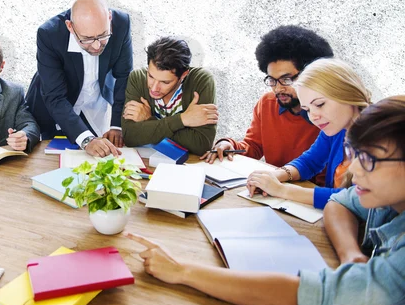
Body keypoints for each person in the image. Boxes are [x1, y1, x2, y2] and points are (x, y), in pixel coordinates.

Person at [127, 95, 405, 305]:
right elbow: (340, 202)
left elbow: (307, 296)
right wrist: (350, 256)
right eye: (353, 154)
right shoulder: (383, 194)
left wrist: (181, 270)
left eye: (369, 160)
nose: (354, 170)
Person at [246, 58, 371, 209]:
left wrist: (282, 190)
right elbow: (310, 161)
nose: (313, 117)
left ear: (347, 94)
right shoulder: (338, 127)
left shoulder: (380, 139)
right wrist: (277, 175)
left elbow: (356, 199)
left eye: (319, 104)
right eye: (307, 109)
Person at [202, 25, 333, 167]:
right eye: (272, 80)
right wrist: (229, 144)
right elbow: (254, 147)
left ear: (311, 74)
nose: (277, 88)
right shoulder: (267, 103)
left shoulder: (328, 112)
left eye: (286, 79)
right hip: (275, 184)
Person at [25, 0, 133, 158]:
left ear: (109, 18)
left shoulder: (122, 23)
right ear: (70, 26)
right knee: (53, 165)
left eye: (103, 35)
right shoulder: (49, 34)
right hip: (55, 108)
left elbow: (123, 77)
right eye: (87, 39)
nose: (97, 46)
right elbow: (55, 97)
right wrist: (86, 140)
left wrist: (117, 125)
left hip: (94, 105)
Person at [121, 37, 218, 155]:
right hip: (148, 161)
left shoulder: (201, 81)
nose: (154, 88)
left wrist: (149, 120)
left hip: (188, 166)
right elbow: (130, 137)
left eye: (165, 82)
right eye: (151, 76)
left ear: (183, 75)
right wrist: (183, 120)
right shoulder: (137, 78)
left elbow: (201, 144)